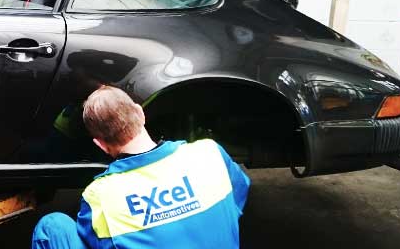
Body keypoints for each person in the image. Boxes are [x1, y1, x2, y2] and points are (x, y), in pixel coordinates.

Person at [31, 85, 250, 249]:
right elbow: (238, 195)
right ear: (140, 113)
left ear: (100, 144)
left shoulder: (100, 195)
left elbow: (97, 243)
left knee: (52, 227)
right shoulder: (209, 153)